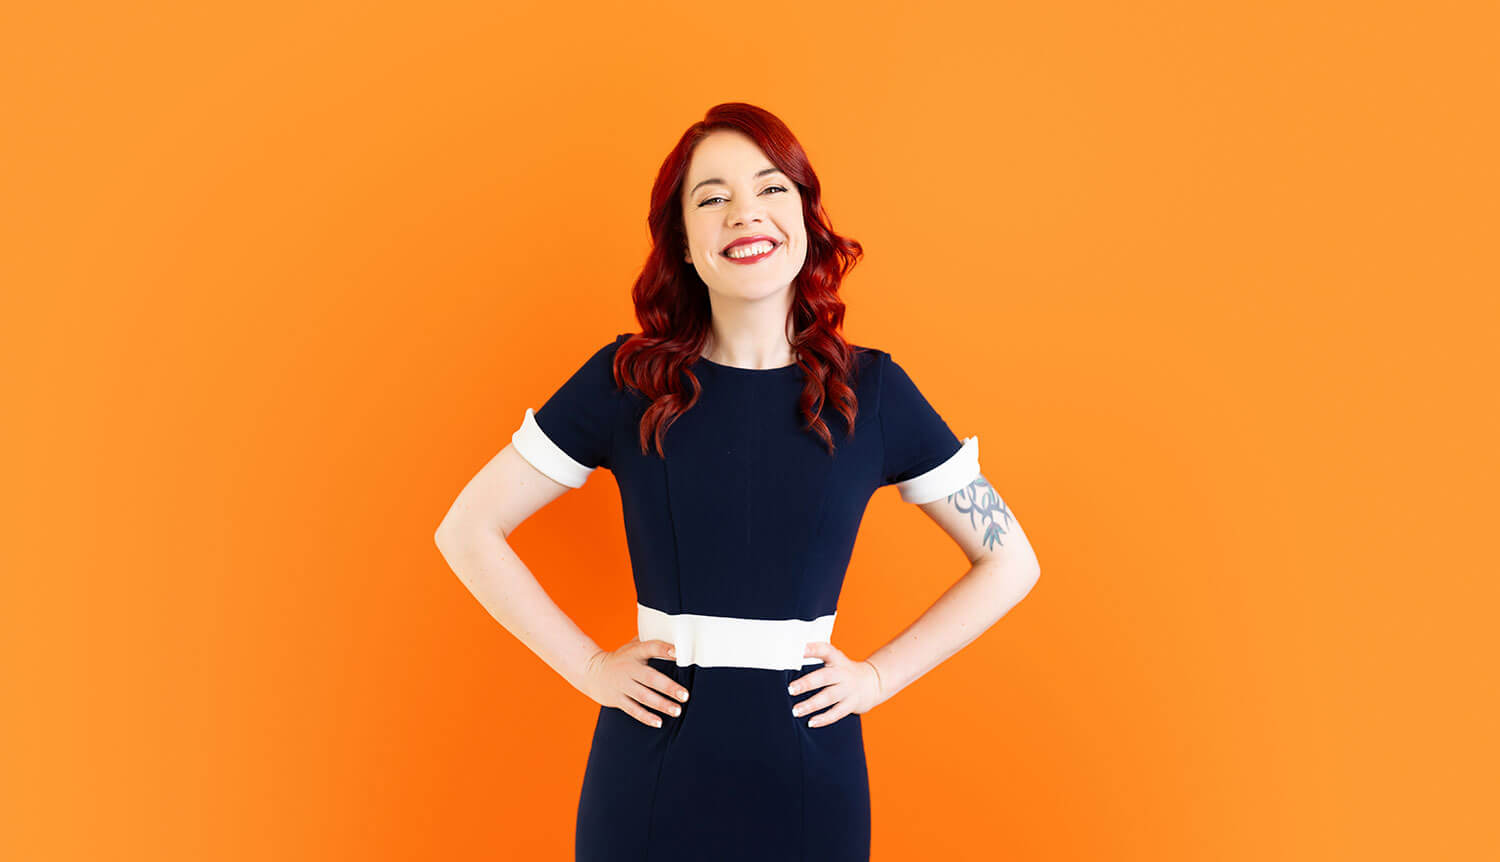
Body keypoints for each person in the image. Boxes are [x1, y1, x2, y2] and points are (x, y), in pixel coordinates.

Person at [434, 102, 1042, 862]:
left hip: (811, 787)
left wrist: (880, 678)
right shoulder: (627, 381)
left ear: (807, 219)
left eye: (770, 188)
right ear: (684, 243)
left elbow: (1012, 559)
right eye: (711, 197)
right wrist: (588, 667)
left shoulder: (874, 392)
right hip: (648, 777)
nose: (743, 213)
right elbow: (466, 529)